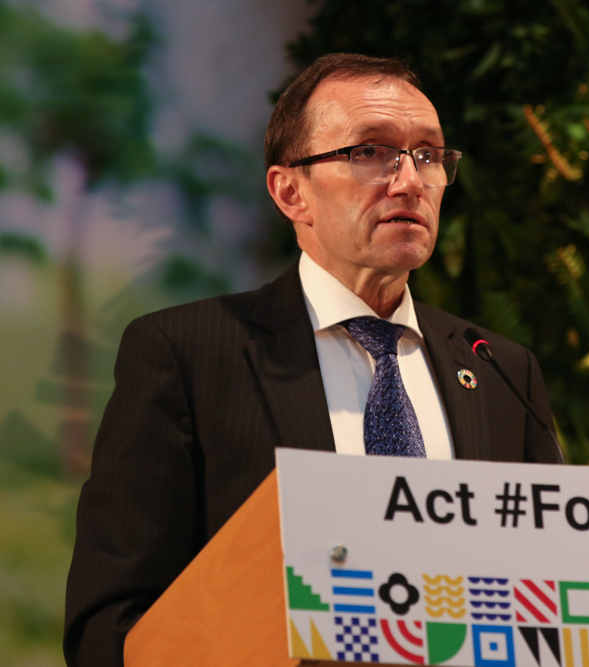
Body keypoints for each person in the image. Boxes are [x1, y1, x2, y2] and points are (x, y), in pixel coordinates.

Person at [63, 53, 563, 667]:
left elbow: (554, 595)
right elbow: (110, 621)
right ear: (291, 191)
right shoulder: (188, 353)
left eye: (428, 155)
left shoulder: (500, 371)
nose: (409, 181)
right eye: (370, 152)